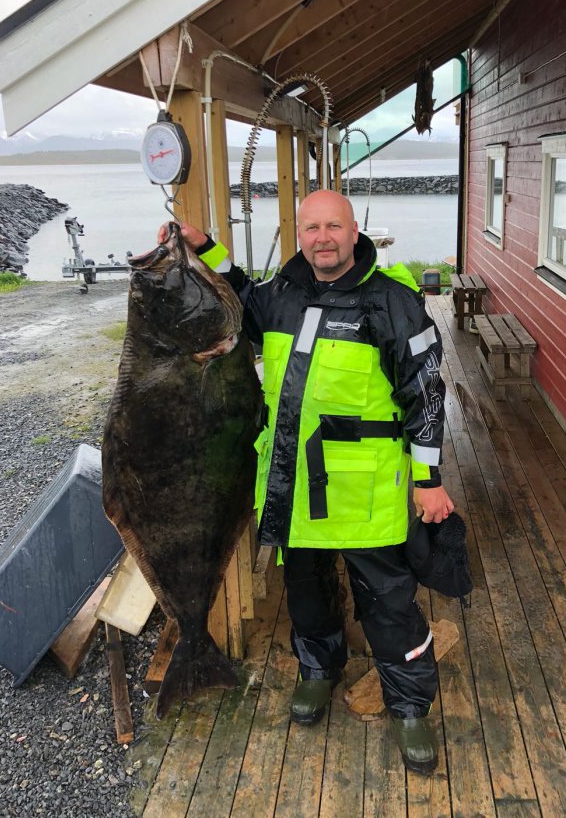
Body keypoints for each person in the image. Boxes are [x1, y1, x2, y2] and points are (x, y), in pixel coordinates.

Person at [162, 189, 454, 774]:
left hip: (364, 490)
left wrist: (428, 480)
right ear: (299, 234)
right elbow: (238, 298)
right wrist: (205, 250)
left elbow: (425, 394)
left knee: (389, 600)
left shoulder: (392, 302)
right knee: (307, 590)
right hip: (294, 487)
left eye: (333, 226)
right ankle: (319, 669)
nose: (323, 238)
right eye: (311, 227)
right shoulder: (280, 296)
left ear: (354, 231)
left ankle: (410, 703)